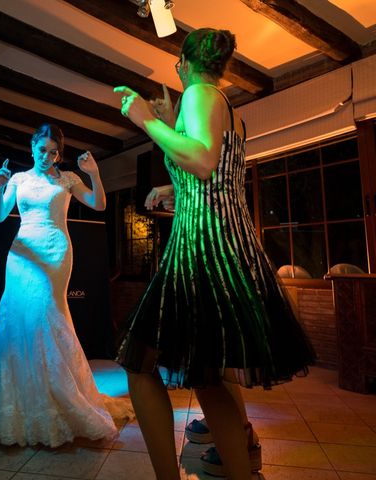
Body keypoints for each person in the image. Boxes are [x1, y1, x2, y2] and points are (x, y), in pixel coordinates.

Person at [114, 28, 315, 480]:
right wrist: (172, 185)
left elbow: (203, 161)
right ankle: (241, 458)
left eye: (177, 67)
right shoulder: (217, 103)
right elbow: (217, 175)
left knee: (139, 361)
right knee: (206, 370)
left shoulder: (201, 94)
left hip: (205, 248)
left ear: (184, 64)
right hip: (223, 240)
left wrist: (148, 120)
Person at [0, 124, 130, 447]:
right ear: (32, 147)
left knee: (48, 317)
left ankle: (57, 399)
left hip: (55, 253)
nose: (46, 156)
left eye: (53, 151)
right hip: (22, 255)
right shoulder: (19, 179)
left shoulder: (67, 179)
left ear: (59, 153)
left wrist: (94, 174)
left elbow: (99, 204)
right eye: (42, 149)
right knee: (16, 322)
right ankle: (21, 405)